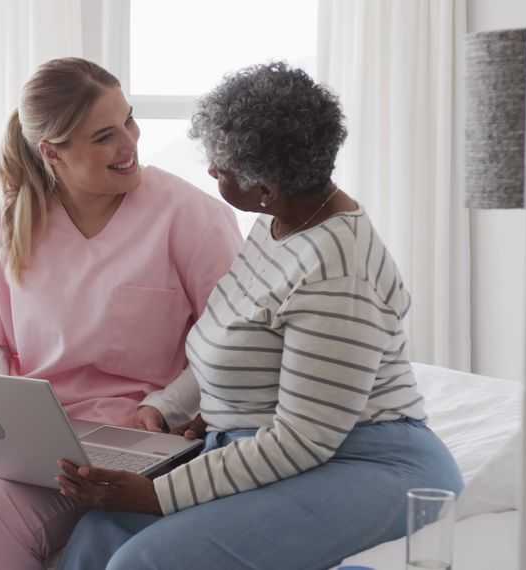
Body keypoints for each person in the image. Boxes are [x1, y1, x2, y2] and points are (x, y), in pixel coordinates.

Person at [56, 61, 465, 570]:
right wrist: (184, 410)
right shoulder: (279, 225)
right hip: (267, 444)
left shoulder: (336, 271)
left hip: (364, 460)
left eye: (221, 167)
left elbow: (301, 440)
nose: (210, 171)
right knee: (100, 533)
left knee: (146, 562)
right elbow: (238, 345)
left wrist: (158, 495)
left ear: (266, 186)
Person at [0, 57, 242, 570]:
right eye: (104, 136)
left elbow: (232, 348)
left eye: (129, 119)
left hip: (126, 427)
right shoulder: (4, 221)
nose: (129, 143)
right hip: (22, 423)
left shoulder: (193, 216)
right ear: (53, 152)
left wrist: (166, 405)